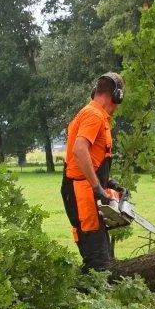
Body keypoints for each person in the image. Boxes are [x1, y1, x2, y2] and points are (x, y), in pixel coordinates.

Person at [61, 72, 125, 270]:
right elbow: (79, 150)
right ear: (116, 95)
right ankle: (88, 297)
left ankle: (93, 295)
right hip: (82, 192)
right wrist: (97, 186)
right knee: (97, 259)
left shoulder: (94, 114)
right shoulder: (93, 115)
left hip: (84, 190)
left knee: (100, 252)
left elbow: (92, 158)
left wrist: (108, 183)